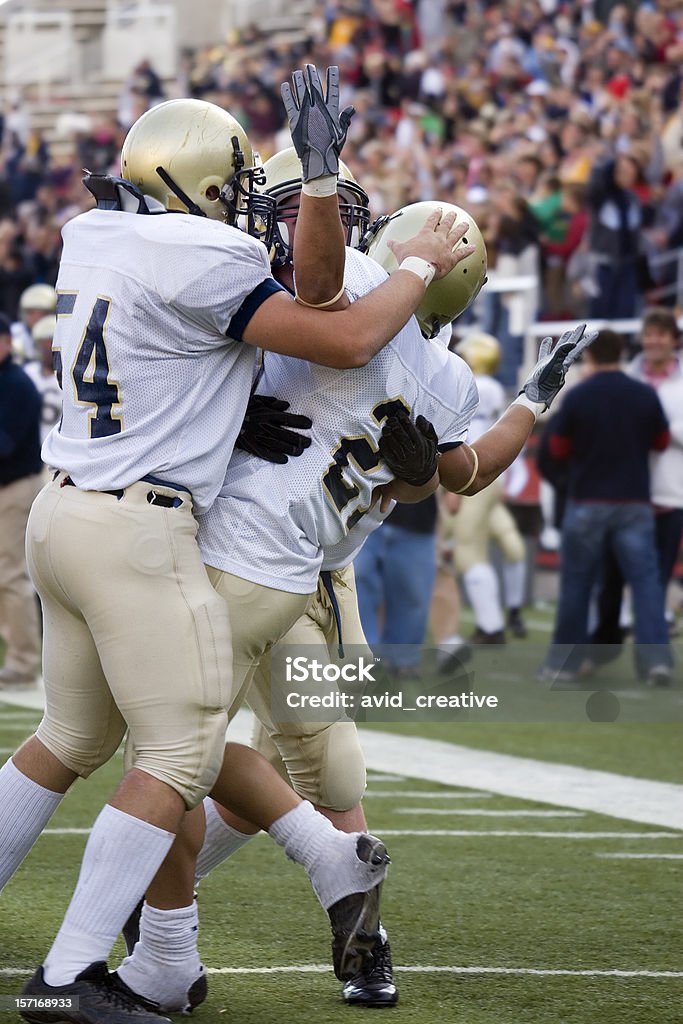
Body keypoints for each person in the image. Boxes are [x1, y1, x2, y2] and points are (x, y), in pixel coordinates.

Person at [0, 68, 470, 1024]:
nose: (251, 207)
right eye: (241, 187)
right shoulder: (218, 258)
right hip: (150, 530)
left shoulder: (93, 232)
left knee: (72, 738)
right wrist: (416, 261)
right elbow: (340, 341)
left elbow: (226, 350)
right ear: (193, 186)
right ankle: (72, 976)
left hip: (68, 507)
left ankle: (177, 953)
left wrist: (232, 412)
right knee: (178, 753)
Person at [115, 174, 597, 1014]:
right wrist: (526, 402)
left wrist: (506, 411)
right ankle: (165, 912)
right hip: (261, 559)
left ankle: (298, 931)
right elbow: (457, 469)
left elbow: (444, 468)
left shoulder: (377, 314)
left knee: (272, 763)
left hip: (291, 571)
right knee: (224, 760)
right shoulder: (426, 360)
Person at [538, 329, 673, 687]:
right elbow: (660, 441)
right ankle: (656, 663)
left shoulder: (580, 397)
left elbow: (557, 450)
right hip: (634, 502)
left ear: (591, 357)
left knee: (576, 586)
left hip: (588, 500)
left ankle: (562, 665)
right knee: (646, 586)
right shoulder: (644, 394)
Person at [442, 331, 529, 644]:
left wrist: (452, 489)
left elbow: (459, 434)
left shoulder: (464, 382)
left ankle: (491, 627)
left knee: (467, 550)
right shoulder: (494, 390)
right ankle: (514, 611)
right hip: (494, 471)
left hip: (471, 467)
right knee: (510, 542)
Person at [0, 312, 43, 687]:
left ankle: (23, 660)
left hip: (15, 487)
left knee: (10, 575)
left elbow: (5, 445)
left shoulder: (16, 385)